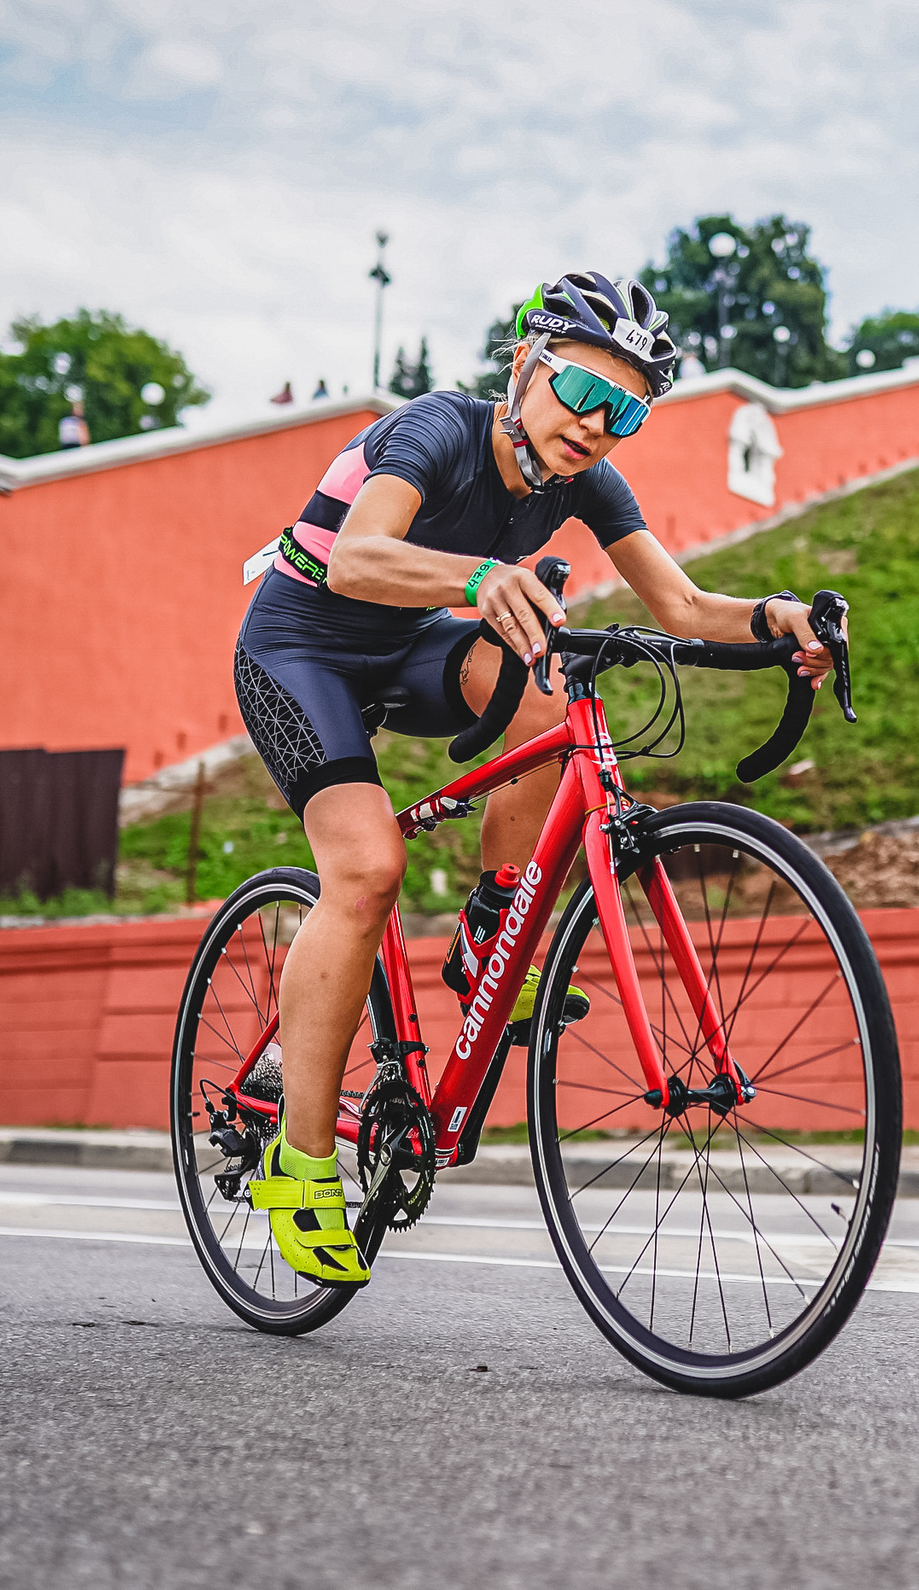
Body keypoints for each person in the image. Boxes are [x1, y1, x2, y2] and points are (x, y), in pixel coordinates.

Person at [230, 270, 842, 1283]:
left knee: (552, 697)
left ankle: (492, 927)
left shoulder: (583, 482)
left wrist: (779, 622)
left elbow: (683, 608)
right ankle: (297, 1167)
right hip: (300, 646)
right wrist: (478, 578)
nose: (599, 427)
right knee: (368, 867)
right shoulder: (433, 430)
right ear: (524, 368)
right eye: (583, 394)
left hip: (409, 640)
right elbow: (356, 558)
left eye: (628, 412)